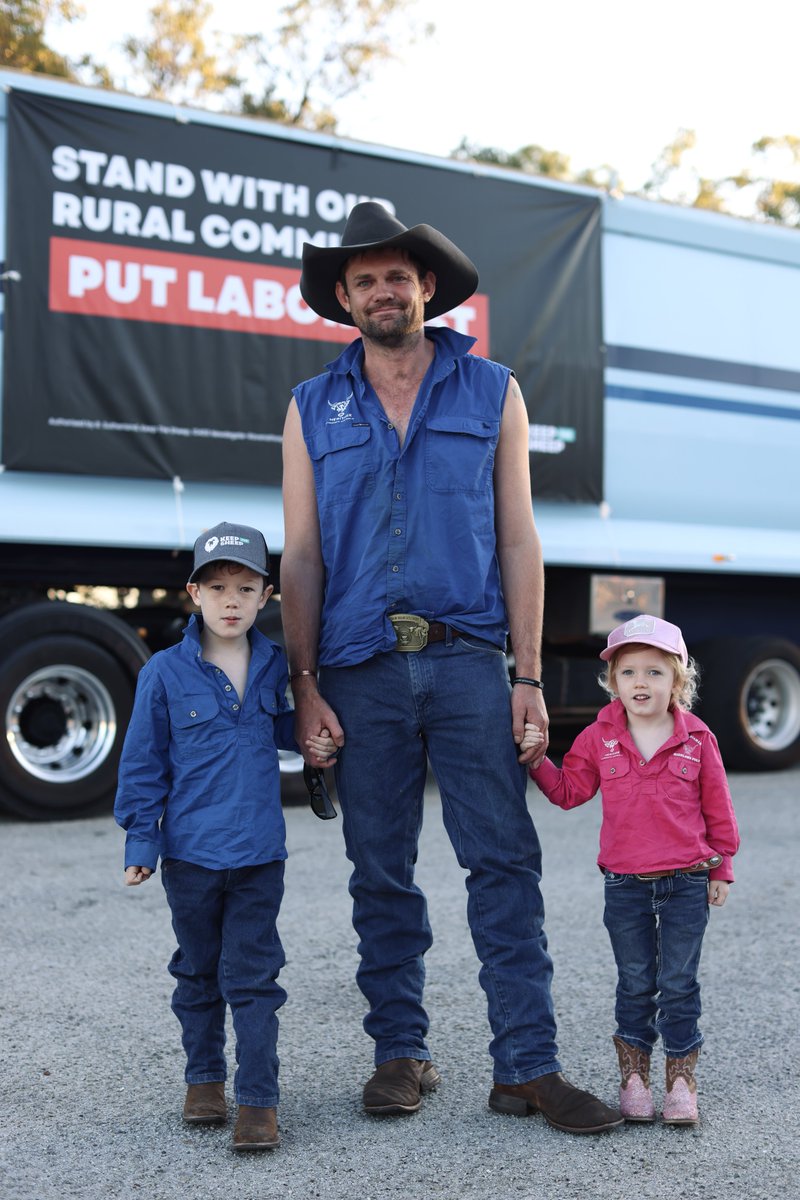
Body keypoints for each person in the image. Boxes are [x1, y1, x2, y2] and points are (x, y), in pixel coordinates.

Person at [279, 201, 623, 1134]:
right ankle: (401, 1053)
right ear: (345, 300)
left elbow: (518, 538)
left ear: (427, 287)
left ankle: (528, 1069)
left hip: (470, 661)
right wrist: (304, 685)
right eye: (363, 281)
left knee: (503, 862)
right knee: (379, 870)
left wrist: (528, 678)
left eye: (397, 275)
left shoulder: (492, 390)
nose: (382, 291)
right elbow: (301, 555)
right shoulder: (311, 407)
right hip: (357, 667)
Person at [114, 520, 335, 1152]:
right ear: (194, 593)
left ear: (266, 595)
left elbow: (282, 731)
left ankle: (259, 1101)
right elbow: (143, 764)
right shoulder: (163, 673)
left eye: (244, 588)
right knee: (198, 971)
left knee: (255, 976)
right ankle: (204, 1081)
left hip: (260, 854)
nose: (231, 601)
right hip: (191, 856)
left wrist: (312, 741)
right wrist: (141, 843)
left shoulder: (274, 665)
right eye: (217, 588)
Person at [521, 614, 740, 1126]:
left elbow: (719, 808)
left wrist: (721, 867)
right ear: (613, 682)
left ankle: (681, 1081)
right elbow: (570, 792)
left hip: (688, 879)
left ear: (677, 681)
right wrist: (536, 761)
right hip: (625, 885)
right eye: (628, 672)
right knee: (636, 981)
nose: (641, 682)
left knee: (679, 982)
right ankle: (634, 1078)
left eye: (654, 672)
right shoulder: (598, 737)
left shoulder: (698, 738)